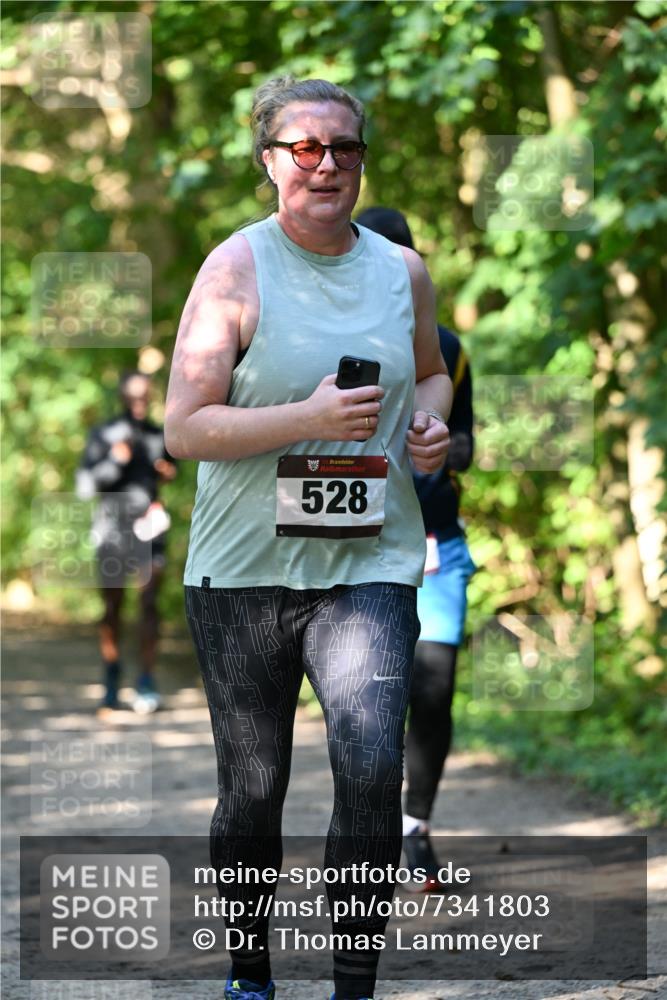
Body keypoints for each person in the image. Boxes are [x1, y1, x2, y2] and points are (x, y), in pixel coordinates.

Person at [165, 76, 452, 1000]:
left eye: (344, 147)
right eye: (304, 147)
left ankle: (352, 985)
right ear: (270, 161)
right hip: (244, 571)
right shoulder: (233, 270)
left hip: (369, 562)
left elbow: (431, 373)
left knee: (370, 769)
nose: (326, 164)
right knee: (254, 786)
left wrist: (430, 425)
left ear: (362, 159)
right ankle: (250, 974)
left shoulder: (402, 271)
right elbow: (185, 428)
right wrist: (308, 418)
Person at [356, 208, 476, 889]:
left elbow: (467, 442)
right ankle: (364, 830)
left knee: (433, 691)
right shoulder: (330, 340)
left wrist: (437, 440)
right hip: (356, 546)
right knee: (369, 696)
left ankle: (415, 828)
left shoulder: (450, 349)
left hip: (435, 544)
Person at [76, 371, 177, 714]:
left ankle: (146, 680)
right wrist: (115, 460)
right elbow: (86, 487)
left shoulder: (158, 435)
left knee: (149, 604)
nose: (139, 404)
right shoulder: (104, 435)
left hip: (149, 529)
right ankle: (111, 676)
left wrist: (166, 473)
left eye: (144, 398)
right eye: (133, 398)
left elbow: (169, 468)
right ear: (122, 397)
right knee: (113, 606)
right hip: (112, 530)